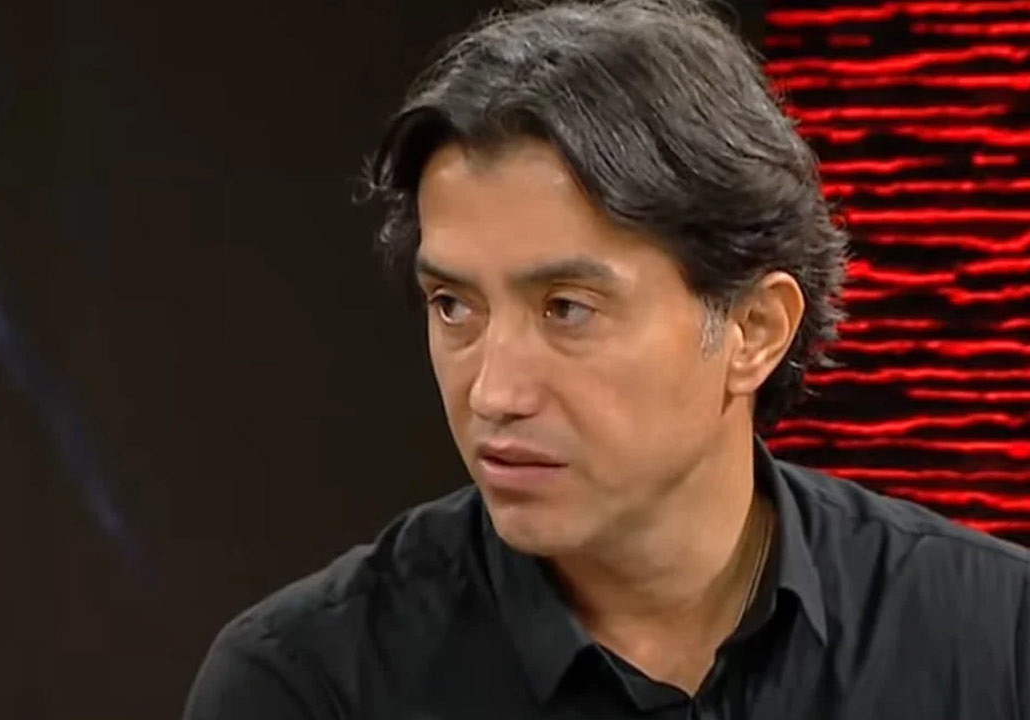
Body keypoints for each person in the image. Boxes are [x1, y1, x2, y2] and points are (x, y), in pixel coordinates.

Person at [184, 1, 1030, 717]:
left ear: (754, 329)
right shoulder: (308, 684)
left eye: (568, 309)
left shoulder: (997, 638)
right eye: (454, 306)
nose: (494, 392)